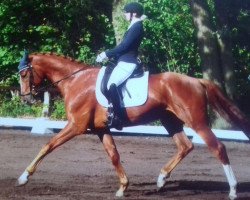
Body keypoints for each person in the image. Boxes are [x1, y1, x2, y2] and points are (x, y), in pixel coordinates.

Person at [96, 2, 145, 129]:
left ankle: (119, 118)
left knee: (112, 84)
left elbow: (124, 46)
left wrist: (106, 54)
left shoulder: (137, 27)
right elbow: (123, 48)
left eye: (126, 12)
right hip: (123, 60)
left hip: (128, 62)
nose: (124, 14)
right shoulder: (133, 26)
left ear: (133, 13)